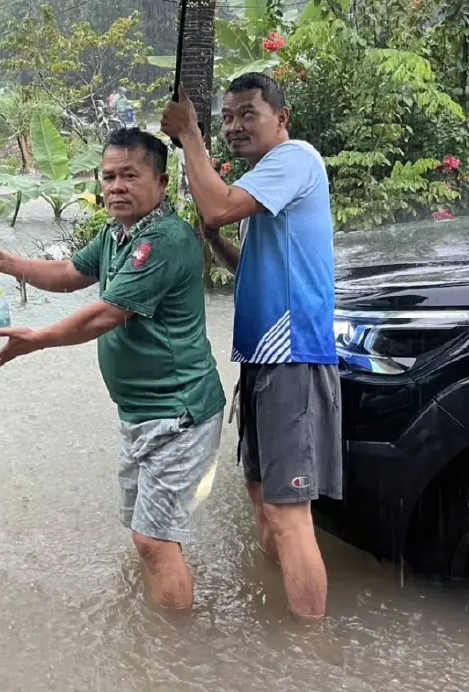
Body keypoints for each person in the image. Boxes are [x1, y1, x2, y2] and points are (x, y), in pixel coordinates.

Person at [0, 128, 224, 610]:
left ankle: (171, 663)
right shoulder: (116, 234)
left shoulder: (164, 239)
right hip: (142, 412)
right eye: (109, 177)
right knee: (150, 535)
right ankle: (160, 634)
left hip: (180, 412)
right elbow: (69, 275)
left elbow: (107, 313)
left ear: (162, 183)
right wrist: (8, 263)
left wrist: (37, 340)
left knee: (153, 541)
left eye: (131, 175)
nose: (117, 186)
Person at [161, 73, 341, 621]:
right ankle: (278, 634)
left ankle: (309, 655)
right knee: (263, 503)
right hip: (263, 360)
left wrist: (191, 136)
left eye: (248, 113)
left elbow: (216, 205)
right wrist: (215, 241)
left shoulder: (296, 159)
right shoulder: (267, 180)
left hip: (293, 359)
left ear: (281, 119)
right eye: (228, 116)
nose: (235, 125)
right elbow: (251, 271)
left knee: (289, 515)